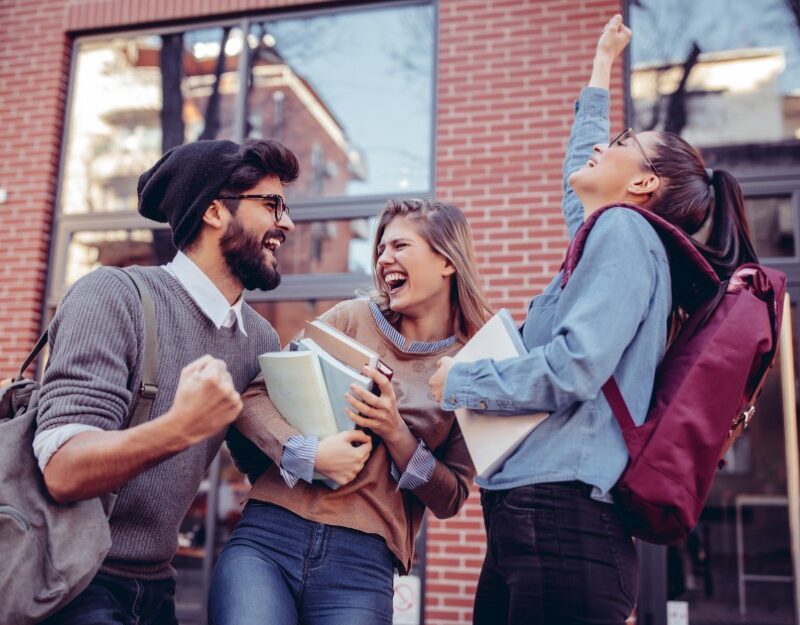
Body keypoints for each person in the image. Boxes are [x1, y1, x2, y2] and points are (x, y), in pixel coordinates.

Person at [429, 14, 758, 625]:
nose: (603, 145)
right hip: (533, 517)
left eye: (621, 143)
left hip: (563, 521)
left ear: (641, 182)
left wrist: (463, 383)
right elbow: (577, 173)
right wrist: (601, 66)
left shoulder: (622, 231)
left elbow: (575, 366)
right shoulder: (610, 233)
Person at [35, 138, 299, 625]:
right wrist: (180, 426)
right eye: (271, 204)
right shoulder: (115, 296)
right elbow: (63, 469)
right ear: (215, 210)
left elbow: (267, 468)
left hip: (158, 586)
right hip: (70, 583)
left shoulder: (256, 336)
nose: (287, 222)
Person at [209, 199, 490, 625]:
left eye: (399, 246)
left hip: (363, 561)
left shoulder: (471, 366)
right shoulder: (351, 317)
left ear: (447, 261)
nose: (383, 259)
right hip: (270, 533)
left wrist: (395, 432)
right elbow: (252, 400)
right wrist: (307, 453)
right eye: (380, 249)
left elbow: (451, 497)